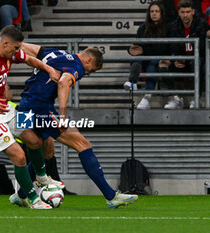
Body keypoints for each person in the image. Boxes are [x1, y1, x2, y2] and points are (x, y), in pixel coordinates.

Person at [9, 43, 138, 208]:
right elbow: (63, 83)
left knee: (45, 149)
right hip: (39, 107)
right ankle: (111, 196)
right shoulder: (77, 65)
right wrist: (62, 116)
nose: (88, 74)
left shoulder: (57, 53)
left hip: (25, 105)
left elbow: (30, 48)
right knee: (82, 144)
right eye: (91, 70)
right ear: (89, 59)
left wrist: (14, 43)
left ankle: (20, 195)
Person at [0, 25, 63, 209]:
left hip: (6, 110)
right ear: (6, 42)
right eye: (16, 47)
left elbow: (30, 60)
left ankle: (41, 177)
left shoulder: (10, 53)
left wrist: (48, 69)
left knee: (35, 141)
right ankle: (33, 200)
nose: (18, 51)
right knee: (19, 156)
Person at [164, 0, 210, 109]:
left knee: (198, 64)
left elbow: (203, 47)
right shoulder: (173, 26)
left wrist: (187, 59)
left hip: (197, 59)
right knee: (165, 66)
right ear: (178, 13)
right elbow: (172, 46)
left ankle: (196, 99)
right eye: (183, 12)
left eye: (188, 12)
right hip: (181, 59)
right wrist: (176, 59)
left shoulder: (201, 24)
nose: (185, 15)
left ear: (193, 12)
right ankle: (177, 98)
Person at [128, 1, 170, 110]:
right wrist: (131, 50)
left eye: (157, 11)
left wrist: (144, 49)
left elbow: (163, 49)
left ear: (161, 13)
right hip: (145, 58)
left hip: (159, 59)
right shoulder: (143, 28)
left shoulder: (168, 28)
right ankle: (132, 82)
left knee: (152, 64)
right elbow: (137, 46)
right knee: (137, 58)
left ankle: (146, 97)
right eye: (152, 11)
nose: (154, 14)